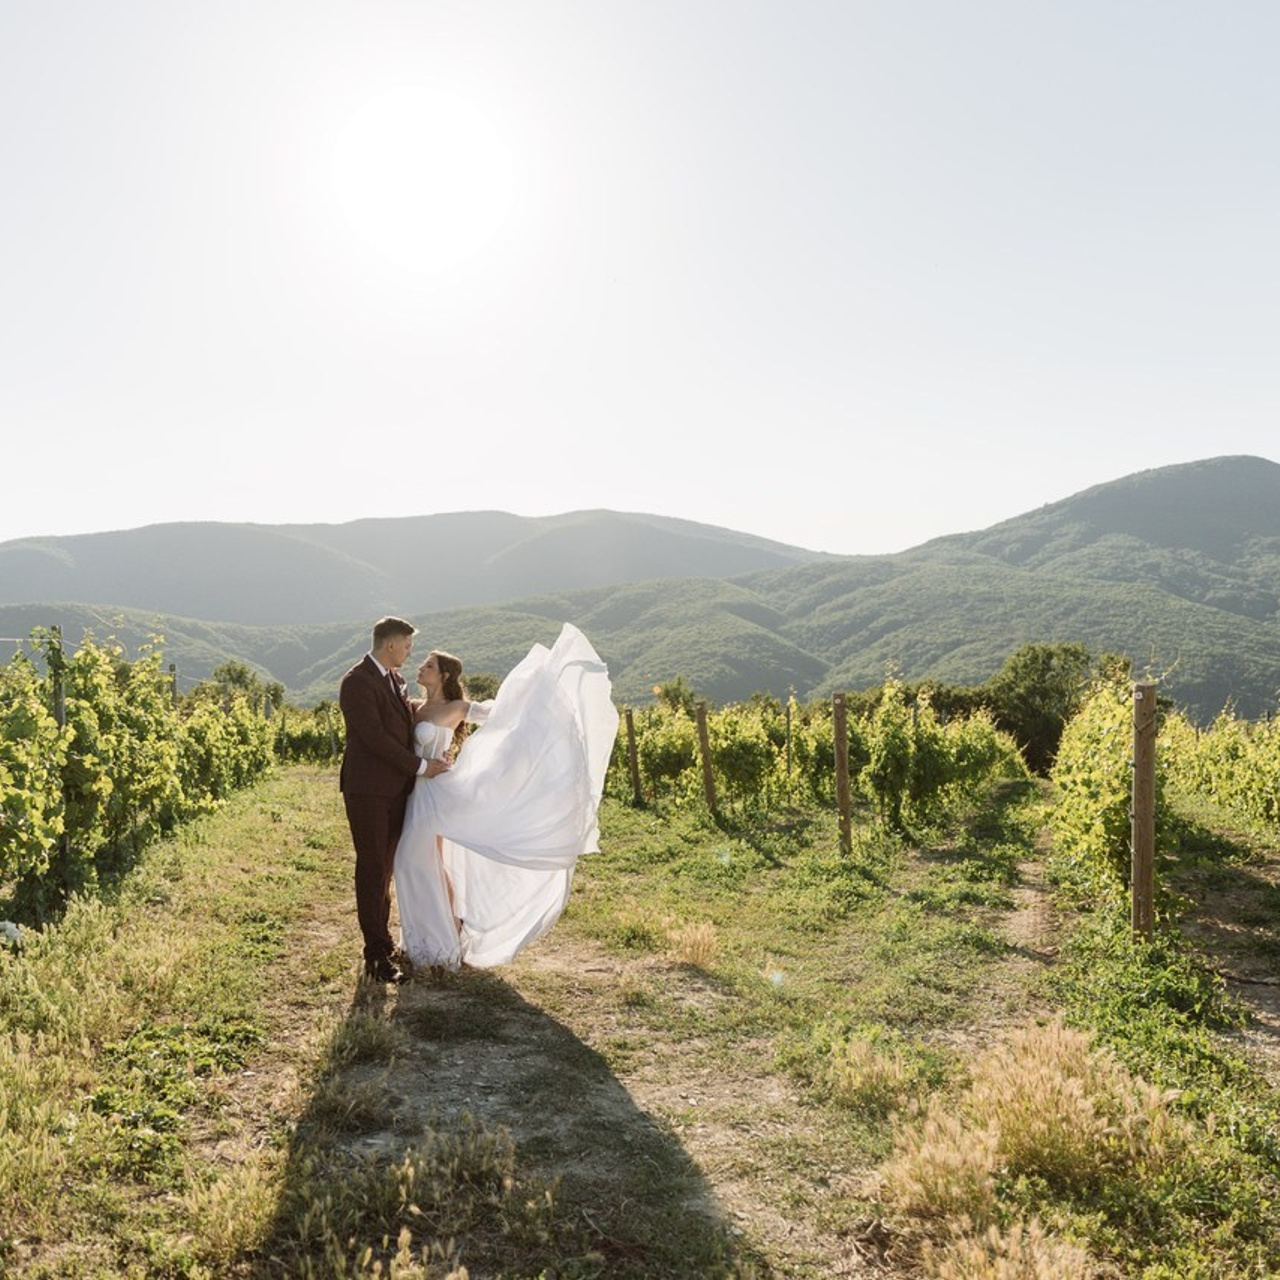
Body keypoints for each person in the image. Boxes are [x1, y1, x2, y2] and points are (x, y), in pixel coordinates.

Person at [393, 622, 619, 971]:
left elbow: (504, 715)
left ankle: (441, 945)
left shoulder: (458, 707)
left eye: (429, 665)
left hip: (437, 793)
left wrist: (539, 693)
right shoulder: (411, 706)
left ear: (445, 675)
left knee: (418, 862)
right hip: (415, 791)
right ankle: (427, 939)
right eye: (422, 663)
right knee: (416, 864)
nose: (420, 667)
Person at [338, 616, 450, 983]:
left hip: (397, 791)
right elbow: (374, 738)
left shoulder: (396, 680)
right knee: (372, 869)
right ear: (390, 645)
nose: (409, 652)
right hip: (368, 790)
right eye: (406, 646)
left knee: (386, 869)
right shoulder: (357, 682)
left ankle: (382, 944)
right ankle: (375, 956)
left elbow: (405, 727)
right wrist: (421, 766)